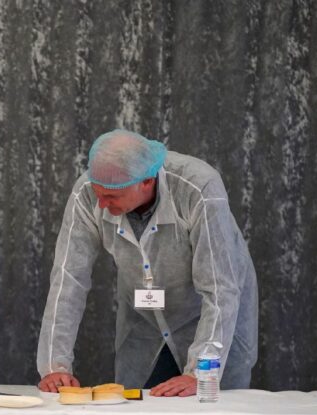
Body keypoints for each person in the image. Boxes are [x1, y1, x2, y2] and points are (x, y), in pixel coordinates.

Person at [37, 129, 257, 397]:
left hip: (210, 322)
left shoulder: (198, 188)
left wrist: (201, 372)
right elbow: (68, 278)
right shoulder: (89, 192)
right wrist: (54, 364)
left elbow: (220, 287)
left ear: (146, 182)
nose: (103, 206)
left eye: (112, 198)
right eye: (99, 196)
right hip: (144, 324)